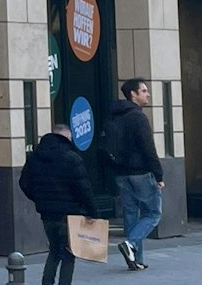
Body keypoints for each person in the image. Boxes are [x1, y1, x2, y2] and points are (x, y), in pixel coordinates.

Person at [21, 124, 102, 285]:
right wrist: (94, 213)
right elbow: (84, 188)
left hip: (47, 214)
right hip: (69, 214)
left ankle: (47, 283)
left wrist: (39, 199)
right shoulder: (71, 157)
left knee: (53, 251)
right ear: (65, 138)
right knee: (68, 255)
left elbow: (24, 183)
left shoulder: (35, 157)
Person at [106, 78, 164, 271]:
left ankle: (135, 259)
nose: (148, 94)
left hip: (121, 173)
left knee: (131, 214)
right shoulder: (138, 117)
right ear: (133, 94)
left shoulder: (114, 116)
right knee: (153, 213)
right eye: (144, 91)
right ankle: (131, 243)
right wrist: (159, 174)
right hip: (140, 172)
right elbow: (148, 148)